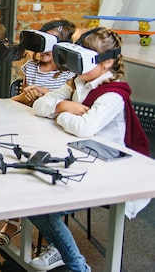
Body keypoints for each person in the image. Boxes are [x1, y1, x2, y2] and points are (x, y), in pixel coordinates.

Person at [27, 27, 150, 272]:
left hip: (108, 171)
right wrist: (64, 105)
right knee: (29, 196)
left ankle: (78, 266)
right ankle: (60, 250)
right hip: (79, 157)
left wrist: (60, 111)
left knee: (41, 209)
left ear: (108, 63)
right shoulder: (80, 83)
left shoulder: (113, 94)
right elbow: (40, 106)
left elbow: (84, 127)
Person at [0, 20, 76, 246]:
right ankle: (14, 220)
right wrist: (29, 95)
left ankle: (53, 231)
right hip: (27, 123)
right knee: (16, 171)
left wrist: (44, 93)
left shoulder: (70, 73)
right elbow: (25, 97)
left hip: (56, 130)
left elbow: (67, 100)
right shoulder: (30, 67)